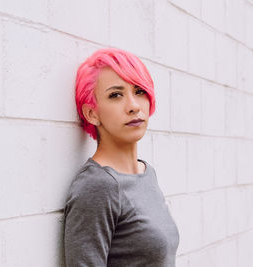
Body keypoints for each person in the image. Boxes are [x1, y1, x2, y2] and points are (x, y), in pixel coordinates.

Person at [63, 47, 180, 267]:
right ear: (92, 113)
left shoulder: (147, 174)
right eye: (115, 95)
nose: (134, 106)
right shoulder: (98, 185)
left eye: (139, 91)